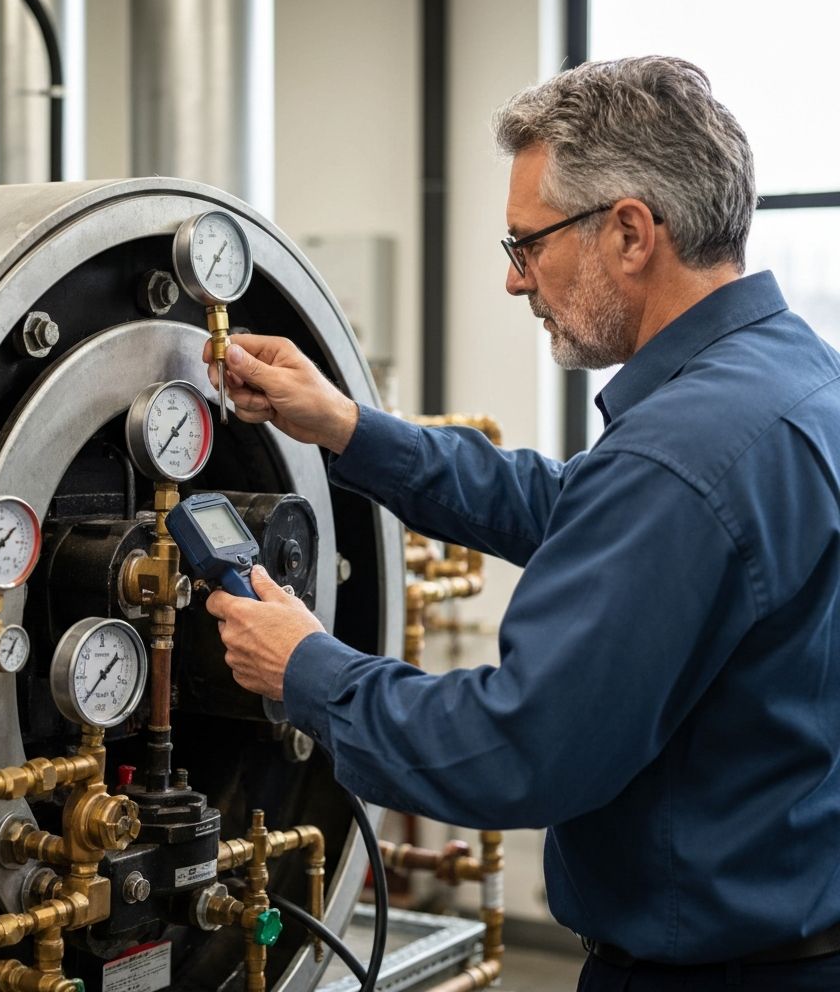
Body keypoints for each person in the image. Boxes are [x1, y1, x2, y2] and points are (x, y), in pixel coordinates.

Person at [203, 56, 840, 990]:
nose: (516, 283)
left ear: (628, 232)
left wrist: (308, 669)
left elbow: (516, 750)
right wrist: (349, 428)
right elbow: (573, 507)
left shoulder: (682, 454)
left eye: (525, 245)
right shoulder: (793, 381)